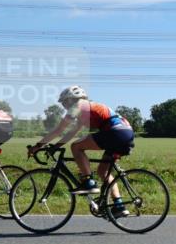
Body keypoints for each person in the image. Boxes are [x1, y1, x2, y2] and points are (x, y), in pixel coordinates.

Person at [30, 85, 134, 217]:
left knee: (76, 147)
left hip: (115, 132)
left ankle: (88, 181)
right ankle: (119, 206)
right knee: (103, 171)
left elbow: (59, 130)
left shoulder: (78, 106)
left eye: (64, 102)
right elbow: (71, 133)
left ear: (70, 99)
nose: (64, 106)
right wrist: (55, 146)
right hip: (126, 133)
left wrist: (37, 146)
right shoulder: (86, 109)